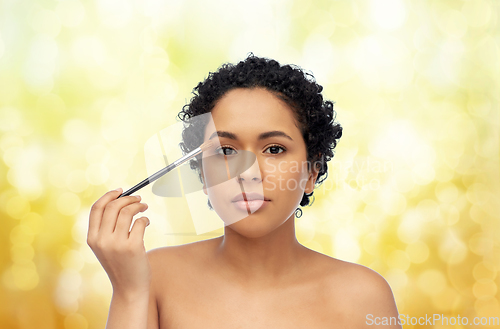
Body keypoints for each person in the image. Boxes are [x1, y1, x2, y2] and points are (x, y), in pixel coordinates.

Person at [88, 54, 402, 329]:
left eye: (275, 149)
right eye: (226, 151)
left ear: (311, 171)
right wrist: (129, 291)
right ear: (201, 171)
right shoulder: (153, 277)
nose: (249, 173)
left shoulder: (364, 297)